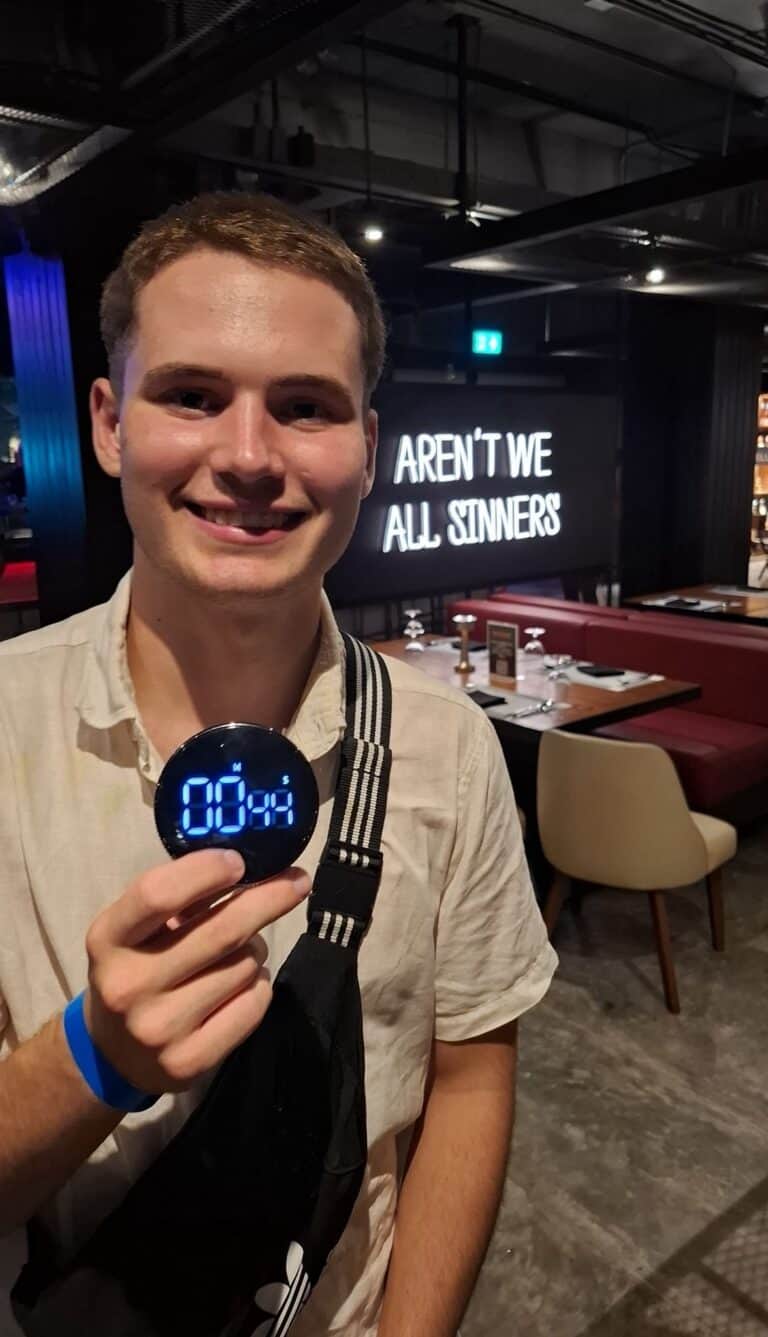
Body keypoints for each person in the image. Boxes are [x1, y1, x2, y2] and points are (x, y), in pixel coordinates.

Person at [0, 191, 557, 1337]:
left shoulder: (450, 746)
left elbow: (468, 1076)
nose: (249, 456)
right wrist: (95, 1056)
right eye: (192, 395)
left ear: (368, 448)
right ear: (108, 422)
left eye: (304, 407)